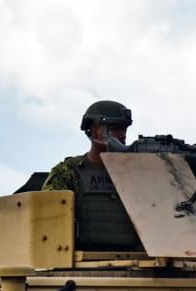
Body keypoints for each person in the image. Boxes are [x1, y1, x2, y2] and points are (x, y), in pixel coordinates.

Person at [41, 100, 140, 249]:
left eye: (124, 128)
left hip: (137, 261)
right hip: (84, 264)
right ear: (94, 130)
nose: (122, 134)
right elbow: (47, 220)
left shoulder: (137, 173)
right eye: (114, 128)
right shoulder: (69, 172)